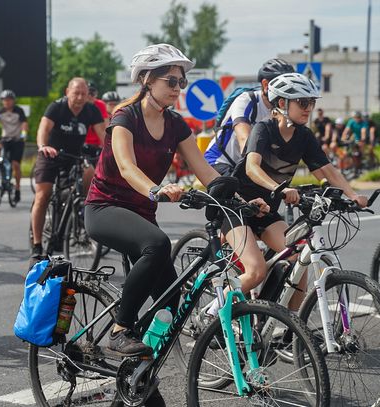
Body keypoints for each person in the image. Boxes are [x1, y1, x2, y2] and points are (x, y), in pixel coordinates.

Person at [84, 44, 266, 406]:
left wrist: (241, 202)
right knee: (157, 244)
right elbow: (126, 167)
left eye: (182, 82)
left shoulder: (175, 124)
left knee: (170, 303)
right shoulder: (125, 118)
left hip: (141, 214)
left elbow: (206, 172)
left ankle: (136, 381)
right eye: (171, 80)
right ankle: (120, 329)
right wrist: (156, 189)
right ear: (146, 80)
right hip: (105, 208)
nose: (178, 88)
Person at [228, 73, 368, 313]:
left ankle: (288, 325)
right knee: (256, 272)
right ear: (282, 103)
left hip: (267, 212)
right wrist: (279, 188)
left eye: (311, 102)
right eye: (303, 102)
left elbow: (327, 170)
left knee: (297, 258)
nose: (309, 108)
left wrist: (352, 195)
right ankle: (212, 313)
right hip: (239, 208)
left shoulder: (304, 136)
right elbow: (252, 168)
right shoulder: (263, 129)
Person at [30, 78, 106, 256]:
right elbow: (43, 129)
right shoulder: (57, 107)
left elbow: (103, 135)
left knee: (90, 175)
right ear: (67, 92)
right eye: (76, 93)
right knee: (43, 196)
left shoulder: (91, 110)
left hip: (74, 156)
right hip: (51, 154)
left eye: (83, 94)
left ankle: (80, 217)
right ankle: (37, 244)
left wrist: (110, 154)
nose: (80, 97)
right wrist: (43, 146)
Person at [205, 58, 295, 175]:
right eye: (282, 86)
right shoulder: (247, 100)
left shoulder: (283, 109)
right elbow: (244, 140)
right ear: (266, 85)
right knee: (233, 184)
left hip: (245, 165)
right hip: (219, 161)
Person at [0, 89, 28, 203]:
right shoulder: (0, 112)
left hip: (17, 140)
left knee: (15, 164)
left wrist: (23, 135)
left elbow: (24, 124)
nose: (7, 102)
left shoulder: (19, 111)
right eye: (5, 100)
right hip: (5, 139)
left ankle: (17, 188)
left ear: (13, 101)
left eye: (9, 100)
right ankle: (2, 175)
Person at [82, 82, 109, 165]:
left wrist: (106, 146)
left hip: (97, 144)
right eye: (88, 93)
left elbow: (106, 126)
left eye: (92, 93)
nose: (90, 96)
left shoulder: (100, 105)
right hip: (82, 143)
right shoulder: (79, 105)